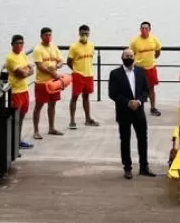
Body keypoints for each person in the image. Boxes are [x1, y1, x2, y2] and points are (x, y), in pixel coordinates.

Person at [108, 48, 156, 179]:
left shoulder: (141, 72)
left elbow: (146, 90)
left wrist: (139, 102)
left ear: (134, 57)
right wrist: (128, 102)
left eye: (131, 55)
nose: (128, 57)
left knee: (143, 139)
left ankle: (144, 167)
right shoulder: (115, 74)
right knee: (125, 140)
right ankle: (127, 168)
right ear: (122, 57)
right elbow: (112, 93)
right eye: (126, 55)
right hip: (124, 111)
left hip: (139, 111)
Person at [32, 27, 65, 139]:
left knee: (53, 104)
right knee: (39, 106)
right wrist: (52, 73)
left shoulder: (54, 47)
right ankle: (36, 131)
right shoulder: (38, 49)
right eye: (46, 35)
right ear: (41, 36)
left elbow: (61, 61)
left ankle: (51, 128)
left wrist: (56, 67)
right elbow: (40, 66)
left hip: (53, 82)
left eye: (50, 35)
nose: (48, 37)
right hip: (42, 82)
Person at [4, 34, 34, 150]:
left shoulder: (22, 54)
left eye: (21, 43)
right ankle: (13, 143)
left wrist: (27, 71)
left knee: (21, 117)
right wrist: (27, 70)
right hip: (15, 91)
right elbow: (22, 73)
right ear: (12, 44)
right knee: (15, 119)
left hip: (24, 89)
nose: (19, 45)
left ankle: (18, 140)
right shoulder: (10, 58)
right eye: (17, 43)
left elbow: (31, 70)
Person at [67, 24, 99, 129]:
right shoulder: (74, 47)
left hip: (89, 74)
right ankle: (72, 120)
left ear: (89, 33)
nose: (84, 35)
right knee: (74, 97)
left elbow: (90, 59)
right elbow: (69, 62)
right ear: (79, 33)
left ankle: (88, 119)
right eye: (82, 33)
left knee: (86, 97)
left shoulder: (91, 45)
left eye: (86, 33)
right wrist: (76, 70)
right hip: (78, 74)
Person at [129, 21, 162, 116]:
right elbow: (131, 54)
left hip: (151, 67)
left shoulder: (154, 39)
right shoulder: (135, 41)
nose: (144, 30)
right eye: (142, 28)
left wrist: (154, 58)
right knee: (137, 89)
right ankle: (136, 107)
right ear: (140, 29)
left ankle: (153, 108)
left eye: (146, 28)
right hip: (139, 68)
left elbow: (158, 50)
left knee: (151, 88)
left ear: (149, 29)